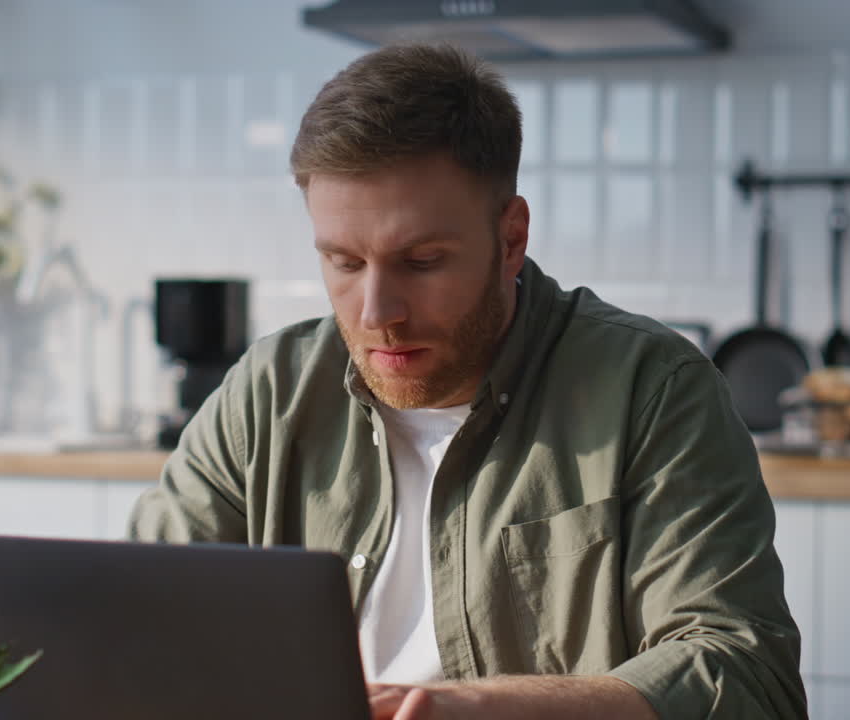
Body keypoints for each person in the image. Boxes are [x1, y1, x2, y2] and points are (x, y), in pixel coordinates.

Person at [130, 43, 807, 720]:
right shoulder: (268, 393)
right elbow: (138, 618)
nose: (377, 314)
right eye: (344, 262)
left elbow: (745, 677)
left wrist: (471, 708)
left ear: (511, 239)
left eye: (422, 261)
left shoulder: (653, 391)